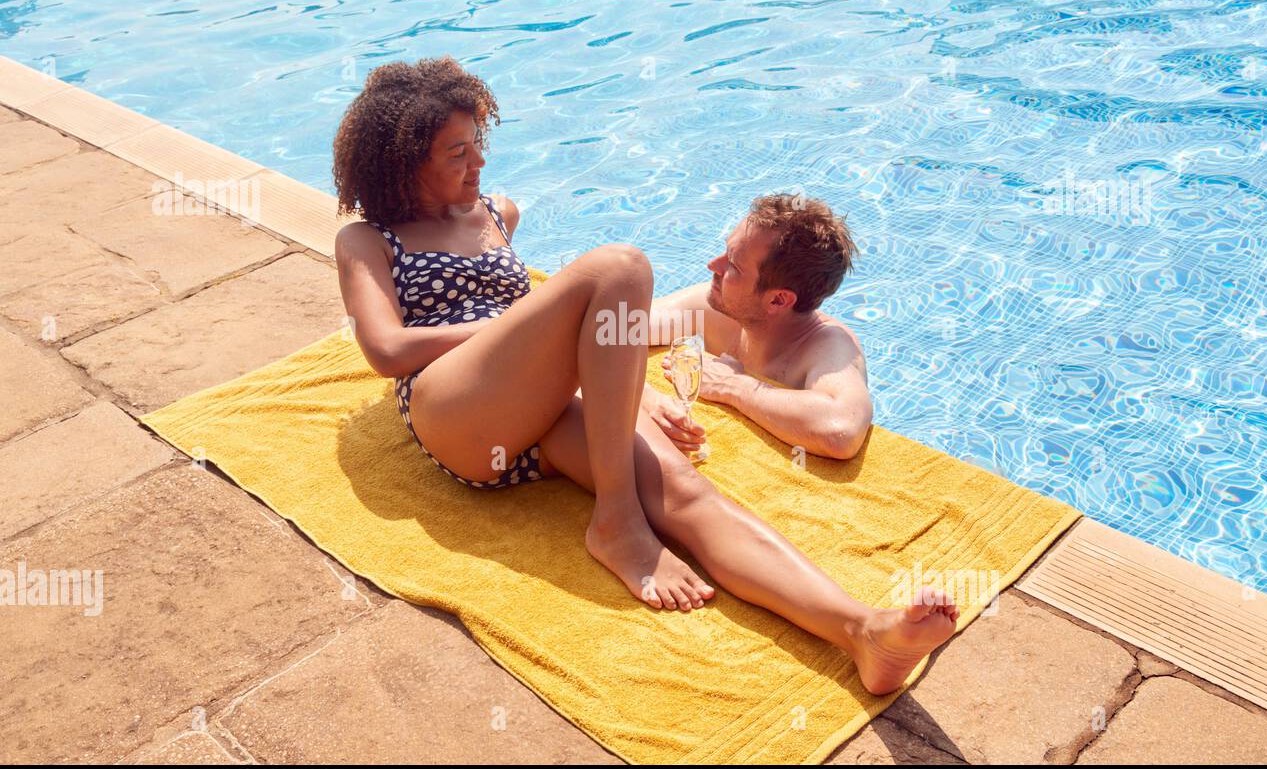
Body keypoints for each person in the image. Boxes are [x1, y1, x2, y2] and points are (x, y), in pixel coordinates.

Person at [331, 56, 957, 696]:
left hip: (541, 405)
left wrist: (630, 387)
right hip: (457, 413)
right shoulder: (369, 240)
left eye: (478, 145)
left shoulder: (498, 213)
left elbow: (550, 336)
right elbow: (385, 349)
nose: (479, 165)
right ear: (404, 162)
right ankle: (617, 520)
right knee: (621, 267)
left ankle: (859, 631)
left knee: (685, 490)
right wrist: (572, 348)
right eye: (457, 153)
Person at [643, 194, 873, 461]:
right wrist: (643, 400)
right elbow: (605, 330)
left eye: (733, 265)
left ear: (778, 299)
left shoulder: (829, 347)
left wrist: (732, 385)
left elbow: (840, 433)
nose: (713, 266)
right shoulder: (720, 309)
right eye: (726, 251)